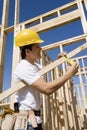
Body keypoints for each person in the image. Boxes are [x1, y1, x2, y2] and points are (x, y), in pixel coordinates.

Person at [14, 29, 79, 130]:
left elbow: (48, 69)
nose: (40, 48)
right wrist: (68, 74)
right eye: (37, 46)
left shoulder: (34, 66)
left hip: (35, 120)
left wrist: (59, 60)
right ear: (27, 51)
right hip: (27, 123)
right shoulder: (24, 67)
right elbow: (47, 89)